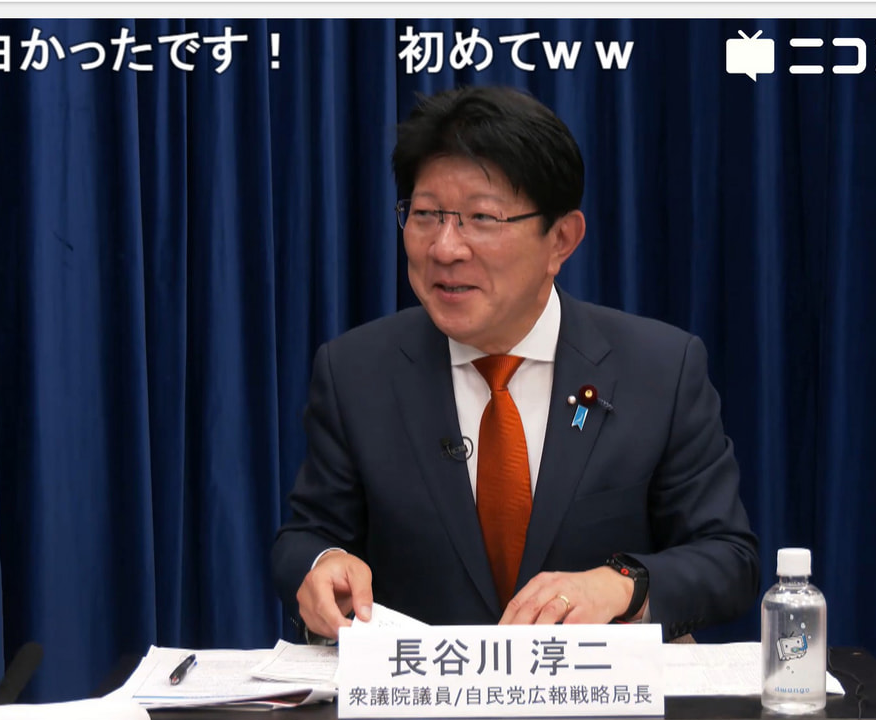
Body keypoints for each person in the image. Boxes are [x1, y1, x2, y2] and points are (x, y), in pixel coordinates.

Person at [272, 85, 758, 640]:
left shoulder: (659, 369)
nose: (445, 248)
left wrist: (622, 584)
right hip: (423, 689)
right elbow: (305, 537)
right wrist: (322, 565)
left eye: (482, 218)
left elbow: (728, 559)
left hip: (595, 691)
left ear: (562, 239)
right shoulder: (356, 371)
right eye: (426, 214)